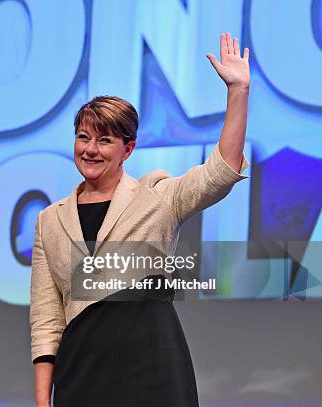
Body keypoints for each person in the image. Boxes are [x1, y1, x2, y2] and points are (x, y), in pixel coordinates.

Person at [30, 33, 250, 406]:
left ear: (128, 148)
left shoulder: (157, 196)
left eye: (104, 141)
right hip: (82, 377)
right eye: (83, 137)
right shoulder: (50, 220)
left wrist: (238, 92)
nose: (90, 149)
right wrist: (41, 401)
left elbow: (221, 172)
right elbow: (47, 322)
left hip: (154, 372)